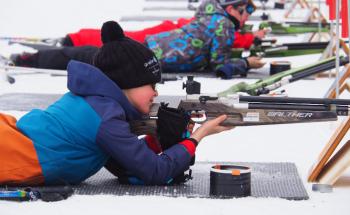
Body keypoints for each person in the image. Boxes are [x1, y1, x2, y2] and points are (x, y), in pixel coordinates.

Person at [0, 21, 233, 186]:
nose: (156, 92)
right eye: (151, 84)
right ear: (127, 83)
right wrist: (197, 137)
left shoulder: (96, 103)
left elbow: (125, 164)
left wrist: (159, 139)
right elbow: (154, 172)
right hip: (14, 153)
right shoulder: (106, 117)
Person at [12, 0, 265, 79]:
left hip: (151, 48)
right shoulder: (223, 24)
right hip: (148, 57)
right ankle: (28, 59)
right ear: (232, 9)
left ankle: (31, 57)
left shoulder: (212, 17)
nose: (245, 18)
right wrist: (246, 64)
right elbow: (219, 65)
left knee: (92, 55)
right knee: (90, 58)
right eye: (244, 11)